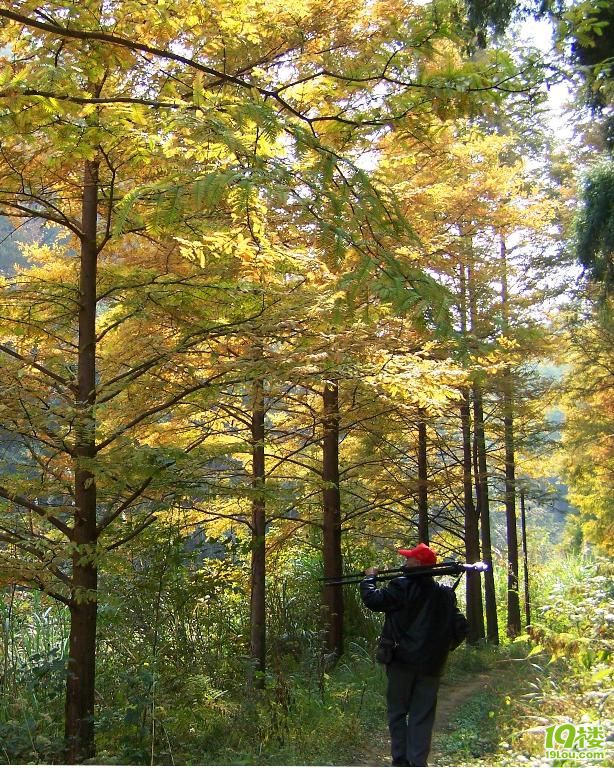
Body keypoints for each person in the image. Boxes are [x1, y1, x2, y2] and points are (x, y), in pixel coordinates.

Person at [360, 543, 465, 767]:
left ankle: (400, 760)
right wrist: (444, 648)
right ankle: (417, 762)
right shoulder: (445, 594)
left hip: (401, 662)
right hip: (432, 666)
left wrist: (369, 579)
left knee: (397, 712)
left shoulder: (401, 586)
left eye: (409, 559)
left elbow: (374, 600)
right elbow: (460, 627)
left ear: (418, 564)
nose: (405, 562)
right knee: (422, 716)